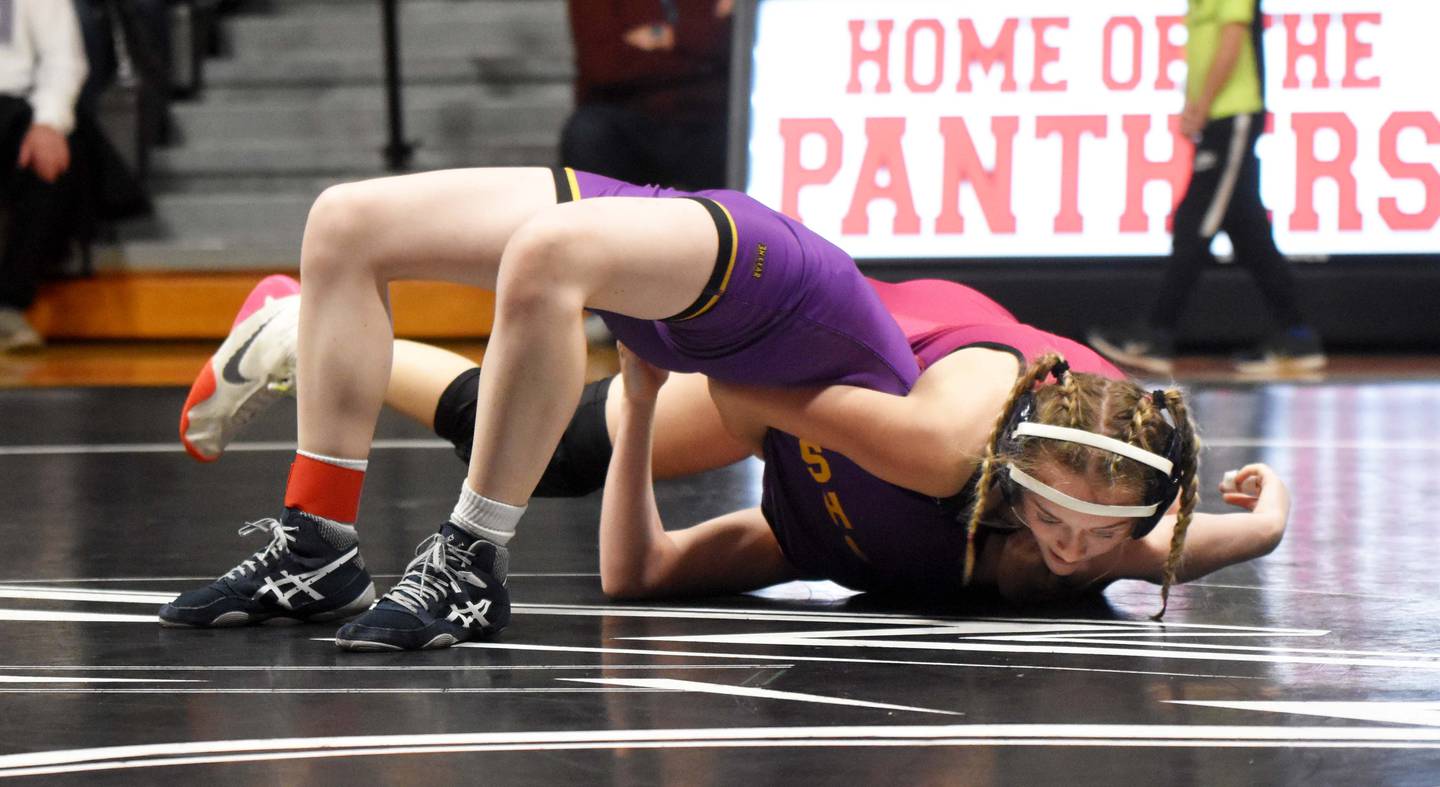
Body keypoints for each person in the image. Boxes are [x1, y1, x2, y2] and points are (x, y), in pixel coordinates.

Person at [162, 205, 1287, 648]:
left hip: (996, 404)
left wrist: (644, 400)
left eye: (1091, 550)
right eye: (1073, 536)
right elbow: (761, 396)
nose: (1081, 555)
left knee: (559, 444)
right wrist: (1263, 508)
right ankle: (322, 311)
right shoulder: (950, 445)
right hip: (908, 360)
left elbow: (635, 578)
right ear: (1022, 493)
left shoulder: (1077, 531)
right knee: (567, 430)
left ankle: (306, 327)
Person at [1088, 0, 1325, 376]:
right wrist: (1192, 105)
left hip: (1233, 115)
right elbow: (1204, 50)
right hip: (1218, 117)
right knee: (1252, 238)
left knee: (1195, 224)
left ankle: (1156, 334)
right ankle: (1297, 337)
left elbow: (1231, 40)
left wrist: (1202, 104)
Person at [561, 0, 732, 190]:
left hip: (708, 120)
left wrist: (669, 36)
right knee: (588, 132)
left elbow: (732, 46)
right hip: (628, 119)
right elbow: (603, 66)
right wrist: (698, 44)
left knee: (747, 135)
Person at [0, 0, 88, 351]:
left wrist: (48, 122)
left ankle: (8, 306)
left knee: (51, 157)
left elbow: (64, 59)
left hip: (12, 107)